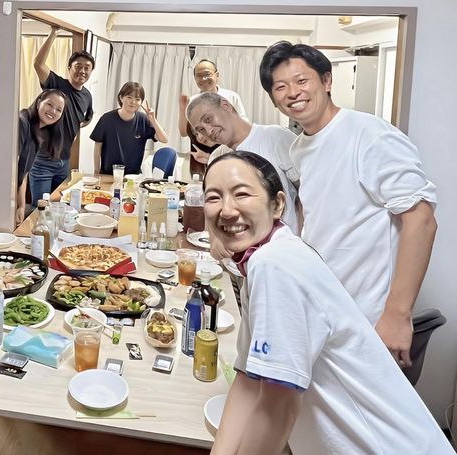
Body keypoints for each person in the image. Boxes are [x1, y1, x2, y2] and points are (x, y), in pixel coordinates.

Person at [203, 151, 451, 455]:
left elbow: (278, 405)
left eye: (241, 194)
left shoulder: (275, 264)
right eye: (213, 198)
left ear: (278, 204)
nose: (227, 210)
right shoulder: (266, 259)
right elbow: (247, 380)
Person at [258, 41, 437, 367]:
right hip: (326, 308)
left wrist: (397, 313)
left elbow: (421, 220)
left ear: (327, 81)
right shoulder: (299, 148)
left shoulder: (369, 134)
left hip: (369, 318)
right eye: (280, 87)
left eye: (301, 81)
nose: (293, 93)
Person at [186, 91, 299, 235]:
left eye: (208, 119)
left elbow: (309, 196)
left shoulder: (276, 138)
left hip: (282, 241)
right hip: (237, 243)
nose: (208, 131)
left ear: (226, 106)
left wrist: (302, 242)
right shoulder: (217, 157)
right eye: (200, 129)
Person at [0, 89, 67, 230]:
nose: (53, 111)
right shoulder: (21, 123)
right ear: (39, 102)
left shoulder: (37, 132)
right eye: (49, 104)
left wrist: (21, 206)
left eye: (58, 109)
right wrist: (13, 205)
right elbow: (8, 170)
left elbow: (24, 174)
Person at [30, 25, 94, 203]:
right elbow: (38, 64)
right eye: (78, 66)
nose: (82, 71)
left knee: (61, 206)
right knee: (40, 208)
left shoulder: (87, 95)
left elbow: (87, 118)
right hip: (43, 160)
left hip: (64, 162)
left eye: (87, 68)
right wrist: (53, 33)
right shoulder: (56, 84)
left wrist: (73, 127)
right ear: (69, 68)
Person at [90, 81, 171, 175]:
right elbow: (98, 145)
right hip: (108, 174)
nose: (133, 102)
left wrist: (153, 119)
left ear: (141, 102)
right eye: (129, 97)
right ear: (121, 98)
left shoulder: (143, 120)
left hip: (133, 176)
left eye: (137, 99)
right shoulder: (107, 119)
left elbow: (164, 139)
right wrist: (96, 171)